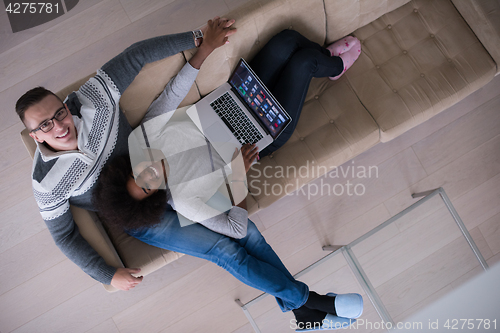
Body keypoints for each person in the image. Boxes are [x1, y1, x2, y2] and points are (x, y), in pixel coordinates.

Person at [94, 29, 364, 331]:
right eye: (146, 186)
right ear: (155, 195)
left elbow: (171, 94)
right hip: (259, 137)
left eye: (136, 173)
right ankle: (335, 67)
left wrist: (203, 51)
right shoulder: (185, 199)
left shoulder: (143, 139)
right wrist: (237, 176)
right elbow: (237, 227)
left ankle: (305, 313)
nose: (147, 174)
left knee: (286, 40)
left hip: (232, 101)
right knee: (303, 64)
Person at [15, 16, 237, 291]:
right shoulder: (45, 185)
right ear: (35, 136)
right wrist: (105, 274)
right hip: (131, 213)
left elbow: (137, 55)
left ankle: (299, 301)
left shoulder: (93, 99)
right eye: (45, 125)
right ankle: (302, 303)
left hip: (155, 165)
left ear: (63, 105)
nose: (59, 126)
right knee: (224, 250)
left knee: (236, 236)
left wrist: (197, 38)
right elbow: (64, 237)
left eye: (59, 113)